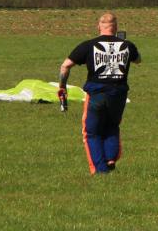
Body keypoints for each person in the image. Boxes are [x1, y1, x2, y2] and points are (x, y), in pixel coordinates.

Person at [58, 12, 141, 174]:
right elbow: (138, 60)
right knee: (112, 126)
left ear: (98, 27)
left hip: (96, 93)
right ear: (116, 28)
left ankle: (100, 170)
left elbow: (65, 65)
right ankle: (110, 158)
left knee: (92, 132)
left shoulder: (88, 45)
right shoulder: (127, 45)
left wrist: (62, 86)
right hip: (118, 95)